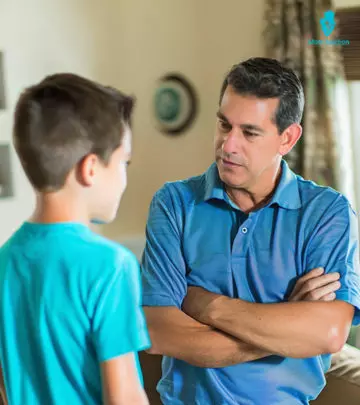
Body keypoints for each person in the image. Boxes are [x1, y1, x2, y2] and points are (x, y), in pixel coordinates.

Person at [141, 57, 360, 404]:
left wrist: (206, 305)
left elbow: (330, 333)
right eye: (225, 125)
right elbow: (159, 333)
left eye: (249, 132)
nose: (228, 145)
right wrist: (287, 326)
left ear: (287, 138)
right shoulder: (174, 203)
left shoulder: (326, 213)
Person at [0, 74, 150, 405]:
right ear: (91, 169)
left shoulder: (4, 261)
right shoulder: (110, 266)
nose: (125, 176)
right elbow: (124, 397)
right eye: (124, 162)